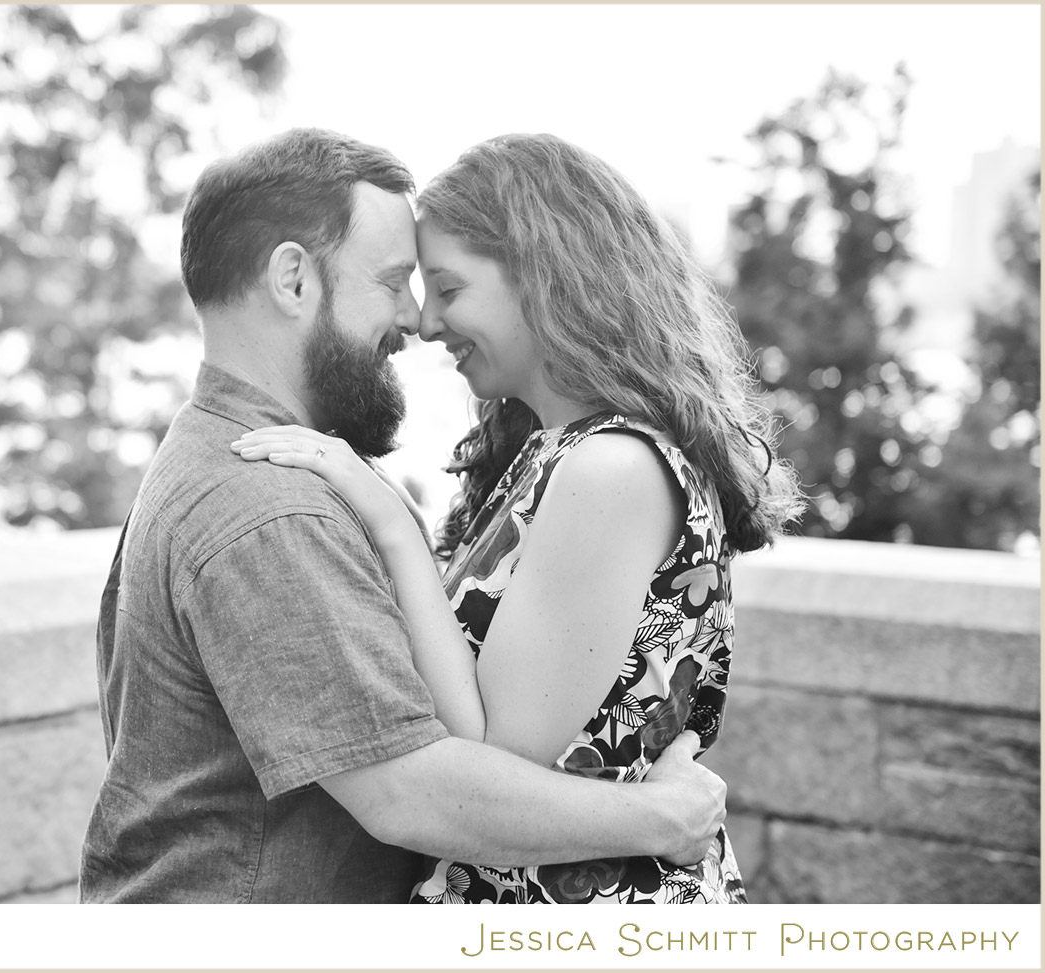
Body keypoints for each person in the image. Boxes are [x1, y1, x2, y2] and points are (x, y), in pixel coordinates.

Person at [79, 128, 729, 904]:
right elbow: (411, 792)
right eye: (396, 281)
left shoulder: (239, 460)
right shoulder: (269, 502)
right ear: (293, 280)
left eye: (441, 288)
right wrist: (661, 818)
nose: (417, 320)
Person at [233, 133, 804, 903]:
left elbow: (495, 755)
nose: (426, 323)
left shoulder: (610, 470)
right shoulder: (558, 451)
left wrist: (394, 525)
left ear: (544, 276)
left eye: (448, 288)